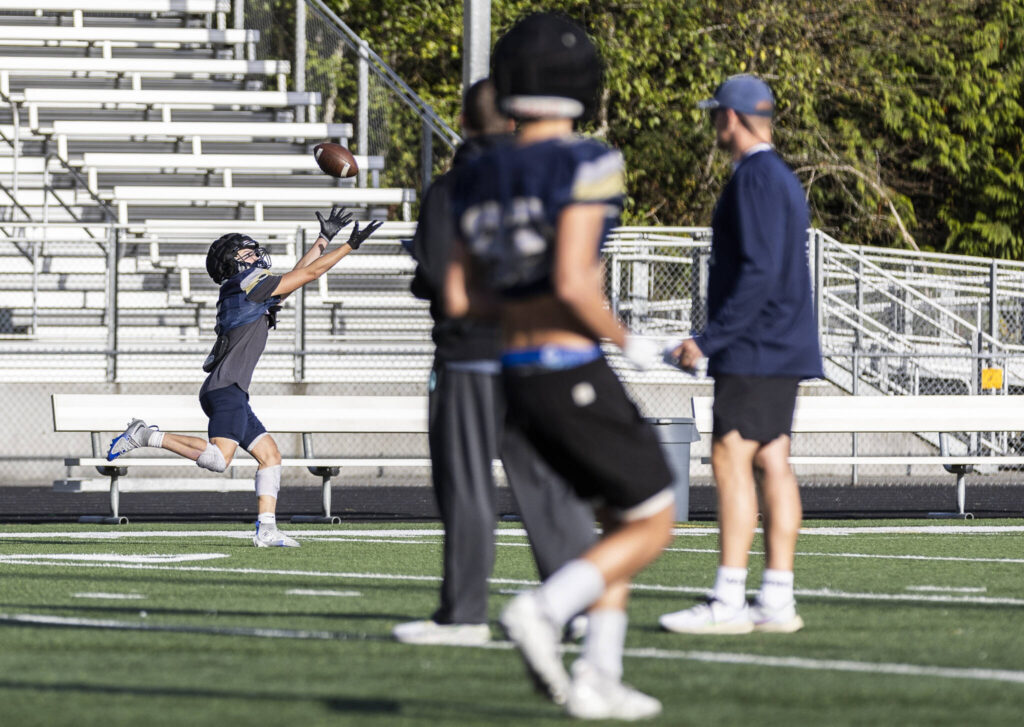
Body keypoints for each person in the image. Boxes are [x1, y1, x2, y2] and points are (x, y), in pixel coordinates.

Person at [447, 13, 676, 721]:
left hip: (512, 371)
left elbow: (462, 296)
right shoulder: (588, 161)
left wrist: (517, 304)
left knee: (615, 522)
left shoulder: (476, 170)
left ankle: (597, 676)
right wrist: (631, 341)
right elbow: (577, 282)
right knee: (656, 518)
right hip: (569, 361)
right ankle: (544, 611)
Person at [393, 78, 597, 647]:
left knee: (467, 487)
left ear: (463, 119)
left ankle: (463, 616)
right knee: (548, 485)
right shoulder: (545, 180)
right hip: (536, 352)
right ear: (514, 119)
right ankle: (575, 607)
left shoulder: (452, 186)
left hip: (469, 356)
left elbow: (434, 274)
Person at [106, 209, 382, 547]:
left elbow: (297, 275)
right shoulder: (244, 285)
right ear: (232, 263)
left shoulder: (246, 289)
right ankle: (146, 435)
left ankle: (267, 529)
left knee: (270, 456)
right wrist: (350, 245)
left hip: (230, 389)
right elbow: (310, 274)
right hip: (227, 390)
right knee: (218, 459)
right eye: (246, 253)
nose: (254, 255)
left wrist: (324, 239)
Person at [659, 74, 823, 634]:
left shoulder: (754, 177)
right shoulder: (779, 177)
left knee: (730, 454)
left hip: (756, 347)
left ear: (731, 117)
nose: (715, 127)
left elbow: (757, 271)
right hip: (782, 343)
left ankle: (728, 599)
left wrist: (708, 340)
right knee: (773, 459)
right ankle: (777, 597)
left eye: (716, 116)